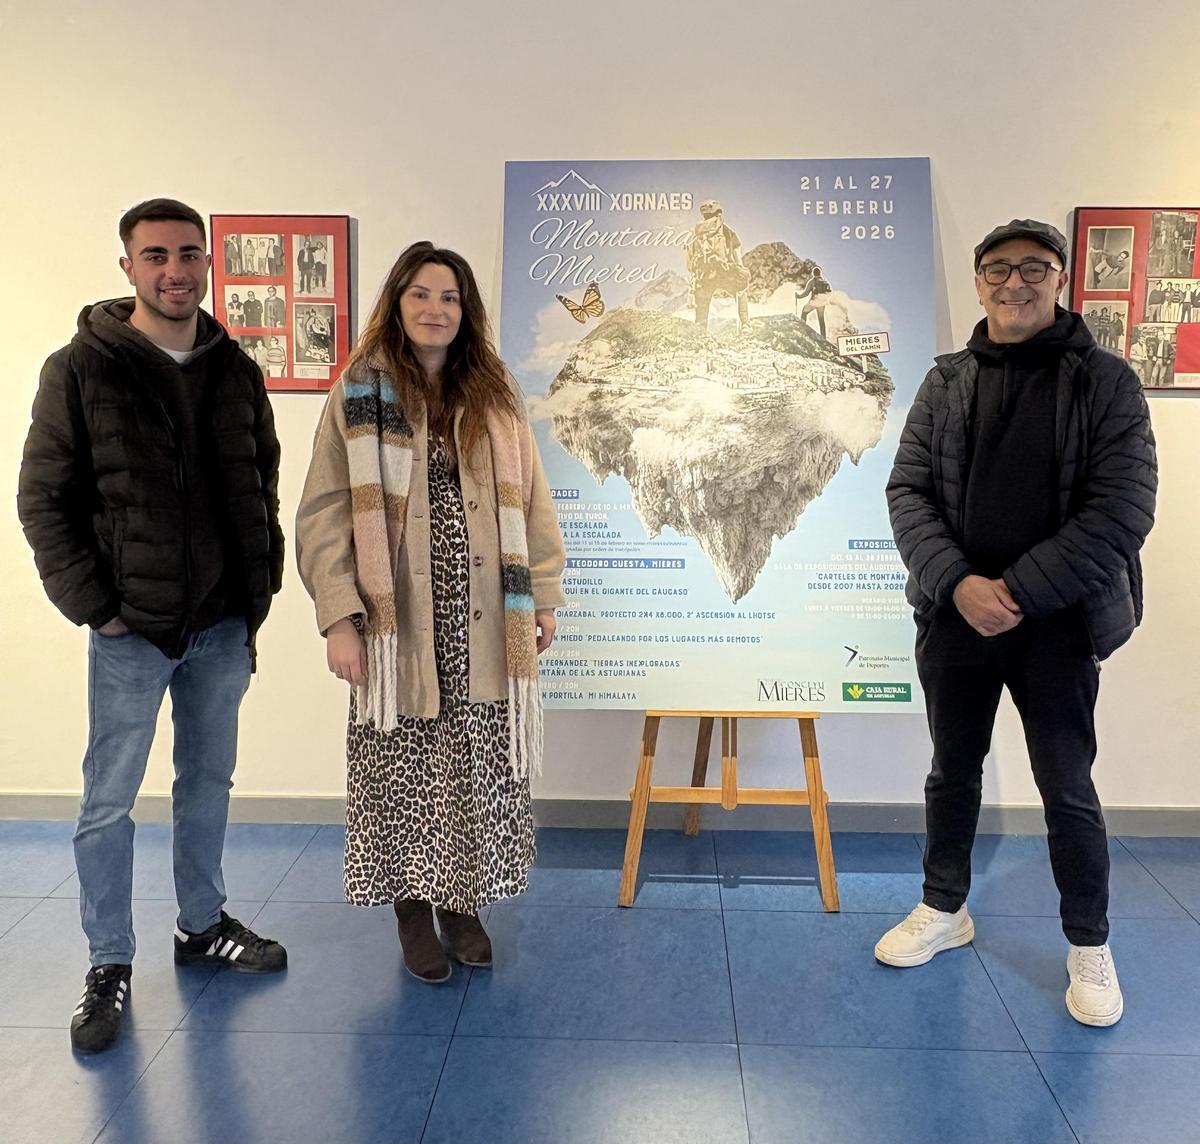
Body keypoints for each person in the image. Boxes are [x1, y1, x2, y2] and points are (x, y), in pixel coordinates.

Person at [16, 198, 288, 1056]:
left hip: (219, 628)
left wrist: (257, 593)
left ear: (208, 264)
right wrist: (95, 606)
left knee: (207, 784)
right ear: (128, 266)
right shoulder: (80, 369)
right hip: (129, 633)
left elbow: (261, 485)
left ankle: (201, 926)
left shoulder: (235, 370)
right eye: (157, 255)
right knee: (107, 805)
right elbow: (42, 500)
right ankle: (108, 963)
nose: (176, 269)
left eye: (190, 254)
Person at [877, 219, 1157, 1029]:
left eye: (1033, 269)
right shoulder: (947, 381)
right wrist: (960, 585)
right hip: (956, 618)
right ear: (979, 282)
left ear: (1059, 279)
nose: (1015, 283)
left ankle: (1088, 945)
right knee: (951, 772)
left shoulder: (1107, 382)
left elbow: (1122, 512)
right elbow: (908, 494)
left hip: (1060, 624)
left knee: (1067, 788)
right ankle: (944, 908)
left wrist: (1019, 592)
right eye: (998, 270)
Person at [296, 241, 565, 984]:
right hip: (396, 629)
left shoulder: (496, 393)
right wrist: (340, 617)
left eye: (448, 297)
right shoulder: (358, 389)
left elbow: (535, 501)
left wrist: (540, 595)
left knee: (474, 769)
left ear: (465, 310)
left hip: (484, 624)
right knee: (403, 772)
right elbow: (322, 513)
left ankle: (462, 901)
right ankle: (413, 912)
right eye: (419, 294)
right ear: (397, 301)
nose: (433, 309)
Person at [688, 200, 751, 333]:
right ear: (719, 213)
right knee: (741, 290)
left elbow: (691, 261)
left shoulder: (698, 232)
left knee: (702, 305)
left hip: (704, 275)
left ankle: (700, 328)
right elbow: (736, 253)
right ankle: (745, 324)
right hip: (723, 272)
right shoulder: (726, 231)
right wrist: (740, 271)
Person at [795, 264, 834, 339]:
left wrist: (798, 296)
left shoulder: (812, 281)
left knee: (804, 312)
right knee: (821, 320)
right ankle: (823, 337)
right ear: (820, 273)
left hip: (814, 302)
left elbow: (806, 293)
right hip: (822, 303)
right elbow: (829, 293)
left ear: (813, 273)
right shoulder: (825, 281)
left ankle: (803, 330)